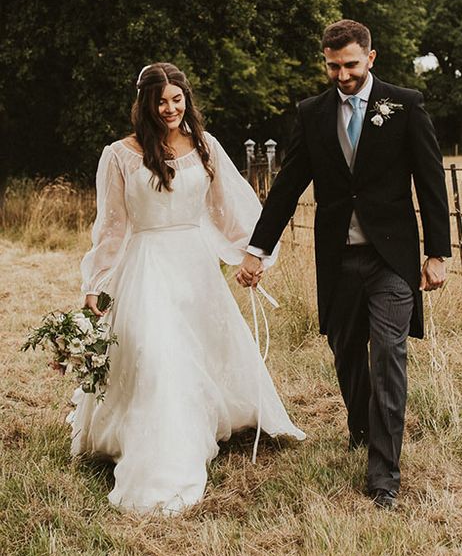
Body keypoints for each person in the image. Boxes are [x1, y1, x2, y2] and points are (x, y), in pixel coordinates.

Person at [70, 62, 305, 515]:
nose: (170, 108)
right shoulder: (119, 154)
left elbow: (227, 208)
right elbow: (112, 228)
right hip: (146, 268)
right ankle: (162, 459)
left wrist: (250, 254)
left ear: (186, 99)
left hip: (195, 267)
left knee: (201, 352)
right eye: (161, 101)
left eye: (177, 99)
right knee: (158, 357)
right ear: (145, 104)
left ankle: (208, 421)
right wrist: (95, 283)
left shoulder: (205, 145)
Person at [237, 20, 451, 510]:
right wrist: (257, 250)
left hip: (391, 259)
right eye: (333, 66)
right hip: (337, 259)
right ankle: (361, 426)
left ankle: (384, 476)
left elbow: (431, 182)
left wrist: (437, 253)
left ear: (370, 58)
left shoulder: (406, 106)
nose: (343, 75)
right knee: (346, 350)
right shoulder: (312, 114)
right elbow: (288, 187)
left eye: (351, 64)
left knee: (388, 358)